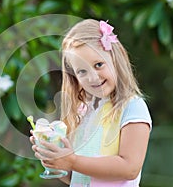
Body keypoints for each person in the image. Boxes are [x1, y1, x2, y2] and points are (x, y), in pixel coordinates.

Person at [30, 19, 152, 187]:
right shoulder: (83, 111)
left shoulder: (132, 106)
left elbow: (130, 168)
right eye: (82, 71)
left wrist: (72, 160)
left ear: (116, 60)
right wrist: (57, 161)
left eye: (99, 65)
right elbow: (79, 177)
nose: (93, 77)